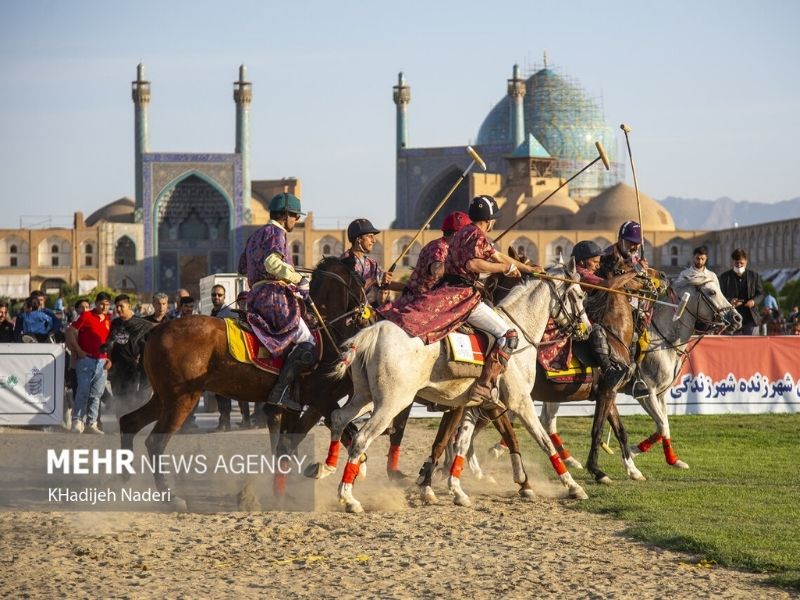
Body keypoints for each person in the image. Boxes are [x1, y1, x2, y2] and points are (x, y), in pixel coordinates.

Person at [380, 195, 538, 408]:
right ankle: (485, 385)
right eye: (494, 220)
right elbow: (474, 264)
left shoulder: (462, 234)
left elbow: (499, 256)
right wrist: (503, 269)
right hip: (463, 296)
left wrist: (528, 269)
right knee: (509, 335)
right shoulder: (476, 235)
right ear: (489, 220)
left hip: (449, 291)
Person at [238, 192, 315, 412]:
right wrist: (297, 278)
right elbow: (272, 263)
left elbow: (242, 267)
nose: (296, 220)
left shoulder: (255, 236)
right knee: (307, 342)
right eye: (295, 216)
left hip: (255, 295)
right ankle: (279, 392)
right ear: (285, 215)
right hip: (272, 297)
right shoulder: (276, 233)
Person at [571, 241, 628, 387]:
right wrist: (636, 271)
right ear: (582, 261)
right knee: (596, 330)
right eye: (594, 261)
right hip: (575, 318)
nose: (598, 265)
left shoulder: (586, 272)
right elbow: (609, 286)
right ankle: (608, 371)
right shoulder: (581, 274)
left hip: (583, 313)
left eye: (599, 261)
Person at [66, 292, 112, 433]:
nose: (104, 307)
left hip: (102, 361)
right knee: (83, 391)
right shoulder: (86, 315)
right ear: (96, 303)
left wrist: (109, 358)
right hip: (86, 360)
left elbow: (110, 341)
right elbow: (70, 331)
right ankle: (77, 421)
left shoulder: (109, 319)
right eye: (101, 304)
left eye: (107, 304)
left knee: (96, 394)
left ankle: (91, 423)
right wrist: (79, 350)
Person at [208, 285, 250, 431]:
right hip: (217, 359)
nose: (216, 298)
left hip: (230, 357)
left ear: (224, 297)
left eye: (219, 295)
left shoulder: (230, 313)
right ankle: (224, 422)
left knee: (229, 392)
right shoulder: (213, 313)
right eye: (214, 295)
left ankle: (233, 421)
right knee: (220, 393)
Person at [340, 218, 405, 303]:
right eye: (370, 236)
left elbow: (385, 283)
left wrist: (409, 288)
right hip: (345, 313)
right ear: (358, 239)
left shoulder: (371, 264)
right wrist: (376, 280)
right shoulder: (345, 260)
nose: (374, 240)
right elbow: (351, 290)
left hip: (362, 310)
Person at [104, 294, 154, 405]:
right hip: (116, 368)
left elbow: (147, 346)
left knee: (130, 399)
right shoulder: (115, 323)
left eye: (121, 306)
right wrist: (109, 359)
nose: (118, 309)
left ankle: (130, 421)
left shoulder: (140, 323)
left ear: (129, 306)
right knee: (117, 398)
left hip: (133, 368)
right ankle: (119, 421)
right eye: (116, 307)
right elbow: (111, 343)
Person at [718, 249, 764, 336]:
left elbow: (761, 293)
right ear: (733, 262)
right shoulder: (725, 277)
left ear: (746, 262)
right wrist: (730, 301)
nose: (739, 266)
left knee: (751, 344)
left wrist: (753, 301)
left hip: (751, 317)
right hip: (731, 317)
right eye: (736, 263)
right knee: (731, 346)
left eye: (741, 263)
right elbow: (720, 295)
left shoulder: (754, 276)